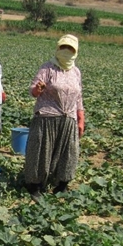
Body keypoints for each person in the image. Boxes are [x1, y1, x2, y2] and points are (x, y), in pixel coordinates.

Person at [24, 34, 85, 201]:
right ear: (58, 49)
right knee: (41, 152)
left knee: (69, 153)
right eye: (63, 48)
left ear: (75, 51)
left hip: (68, 118)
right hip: (47, 116)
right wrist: (38, 89)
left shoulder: (76, 72)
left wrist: (80, 119)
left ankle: (61, 184)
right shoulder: (48, 68)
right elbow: (32, 91)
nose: (66, 51)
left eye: (70, 49)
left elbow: (79, 97)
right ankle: (34, 185)